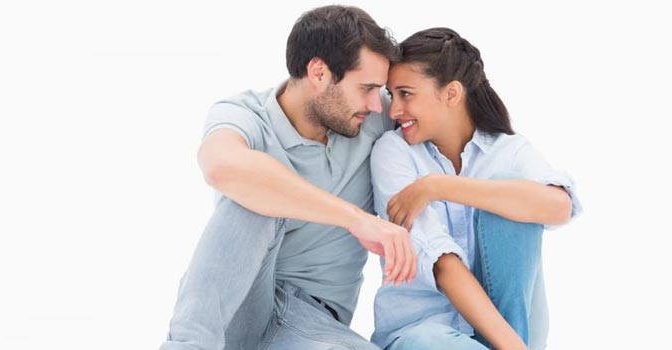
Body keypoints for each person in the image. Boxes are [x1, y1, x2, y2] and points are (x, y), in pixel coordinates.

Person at [160, 6, 417, 350]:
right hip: (239, 307)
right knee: (253, 193)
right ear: (319, 72)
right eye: (367, 88)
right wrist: (355, 219)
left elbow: (449, 115)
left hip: (313, 327)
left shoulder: (376, 115)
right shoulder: (245, 114)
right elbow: (221, 165)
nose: (376, 104)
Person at [370, 28, 583, 350]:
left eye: (406, 94)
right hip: (423, 334)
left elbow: (559, 207)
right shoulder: (393, 151)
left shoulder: (508, 150)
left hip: (513, 331)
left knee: (512, 192)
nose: (394, 111)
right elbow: (440, 262)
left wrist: (440, 187)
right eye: (391, 95)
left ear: (452, 94)